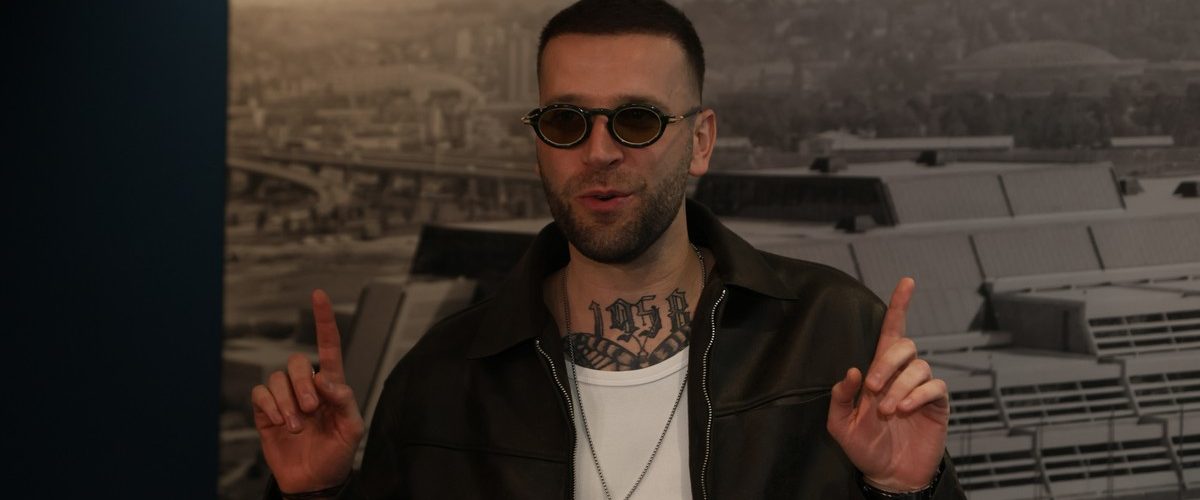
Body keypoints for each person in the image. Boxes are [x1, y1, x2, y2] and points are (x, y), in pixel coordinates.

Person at [251, 0, 965, 498]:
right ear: (539, 142)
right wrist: (314, 495)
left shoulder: (832, 333)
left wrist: (907, 492)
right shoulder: (440, 379)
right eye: (567, 121)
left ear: (701, 141)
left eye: (637, 120)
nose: (598, 152)